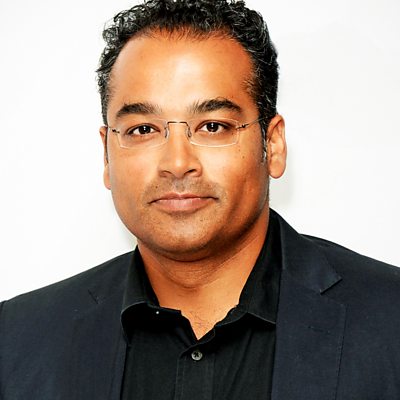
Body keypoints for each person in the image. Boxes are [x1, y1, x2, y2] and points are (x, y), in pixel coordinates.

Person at [1, 0, 399, 398]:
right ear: (107, 155)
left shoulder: (390, 321)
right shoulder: (17, 340)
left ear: (273, 145)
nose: (177, 164)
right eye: (143, 130)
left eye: (212, 126)